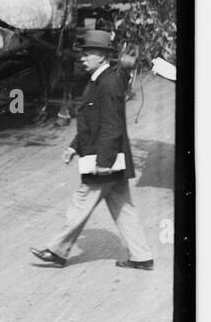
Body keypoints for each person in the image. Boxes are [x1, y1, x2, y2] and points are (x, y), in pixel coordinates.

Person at [30, 30, 153, 270]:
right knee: (123, 208)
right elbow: (92, 122)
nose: (82, 58)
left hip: (104, 158)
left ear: (102, 56)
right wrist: (73, 146)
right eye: (83, 54)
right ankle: (142, 256)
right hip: (109, 157)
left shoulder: (107, 82)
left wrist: (104, 162)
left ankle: (57, 250)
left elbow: (111, 125)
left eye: (88, 54)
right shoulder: (101, 78)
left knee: (81, 200)